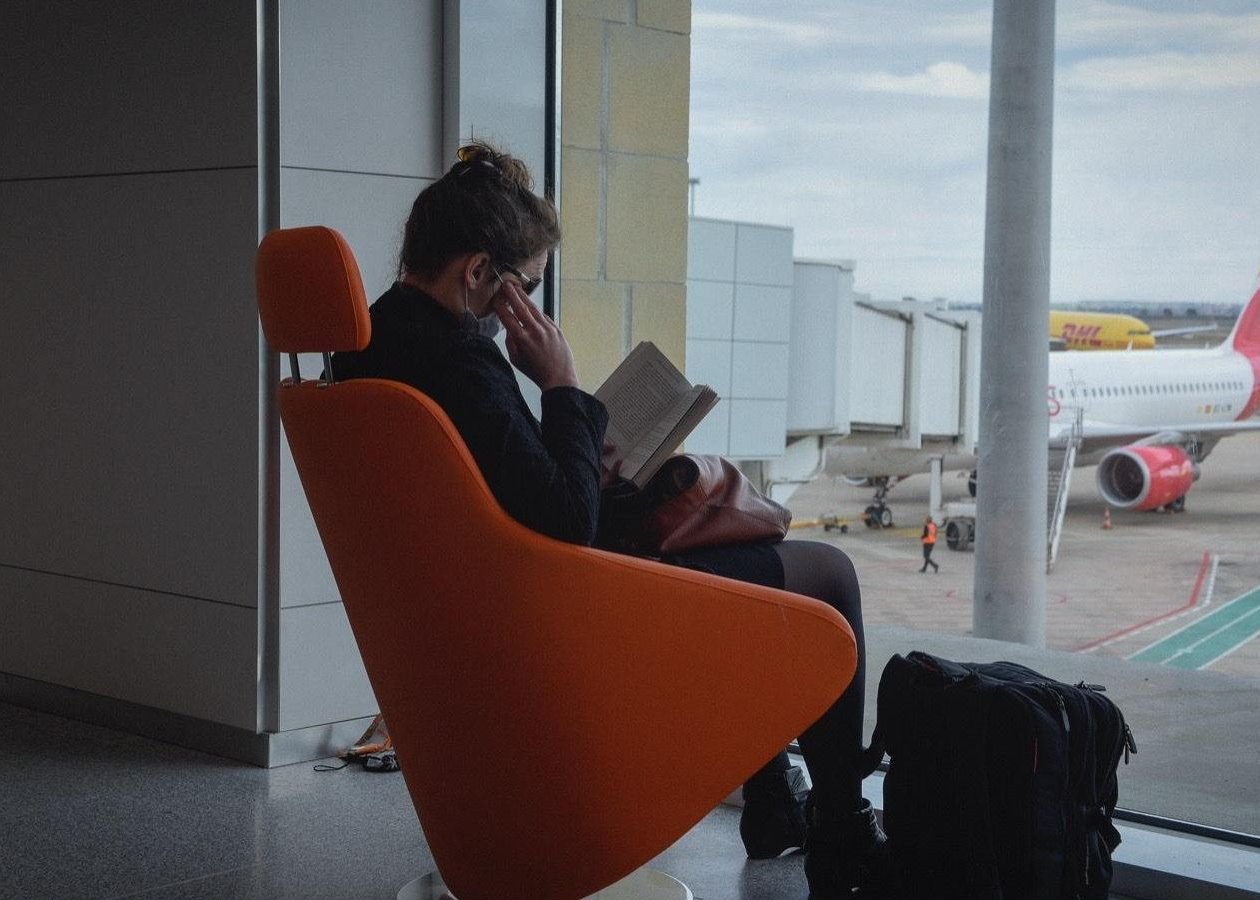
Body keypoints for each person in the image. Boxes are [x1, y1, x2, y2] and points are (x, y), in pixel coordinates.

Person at [331, 142, 884, 898]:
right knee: (827, 577)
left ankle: (776, 804)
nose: (526, 312)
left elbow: (494, 485)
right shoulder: (459, 361)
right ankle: (842, 827)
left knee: (751, 553)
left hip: (466, 618)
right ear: (476, 275)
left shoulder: (366, 349)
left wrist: (578, 447)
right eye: (525, 287)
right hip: (552, 616)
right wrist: (561, 386)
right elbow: (562, 524)